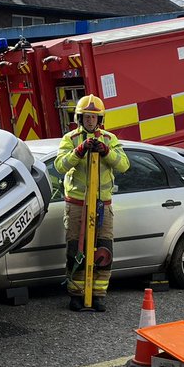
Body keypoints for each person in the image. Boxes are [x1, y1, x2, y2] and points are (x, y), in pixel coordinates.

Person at [54, 95, 129, 312]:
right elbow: (59, 165)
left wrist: (106, 152)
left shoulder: (109, 138)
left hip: (102, 205)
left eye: (94, 117)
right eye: (87, 117)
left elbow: (124, 165)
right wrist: (79, 151)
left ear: (100, 119)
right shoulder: (70, 139)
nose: (90, 121)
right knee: (75, 250)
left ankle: (98, 295)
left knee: (104, 250)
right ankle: (76, 295)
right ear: (80, 118)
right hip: (77, 204)